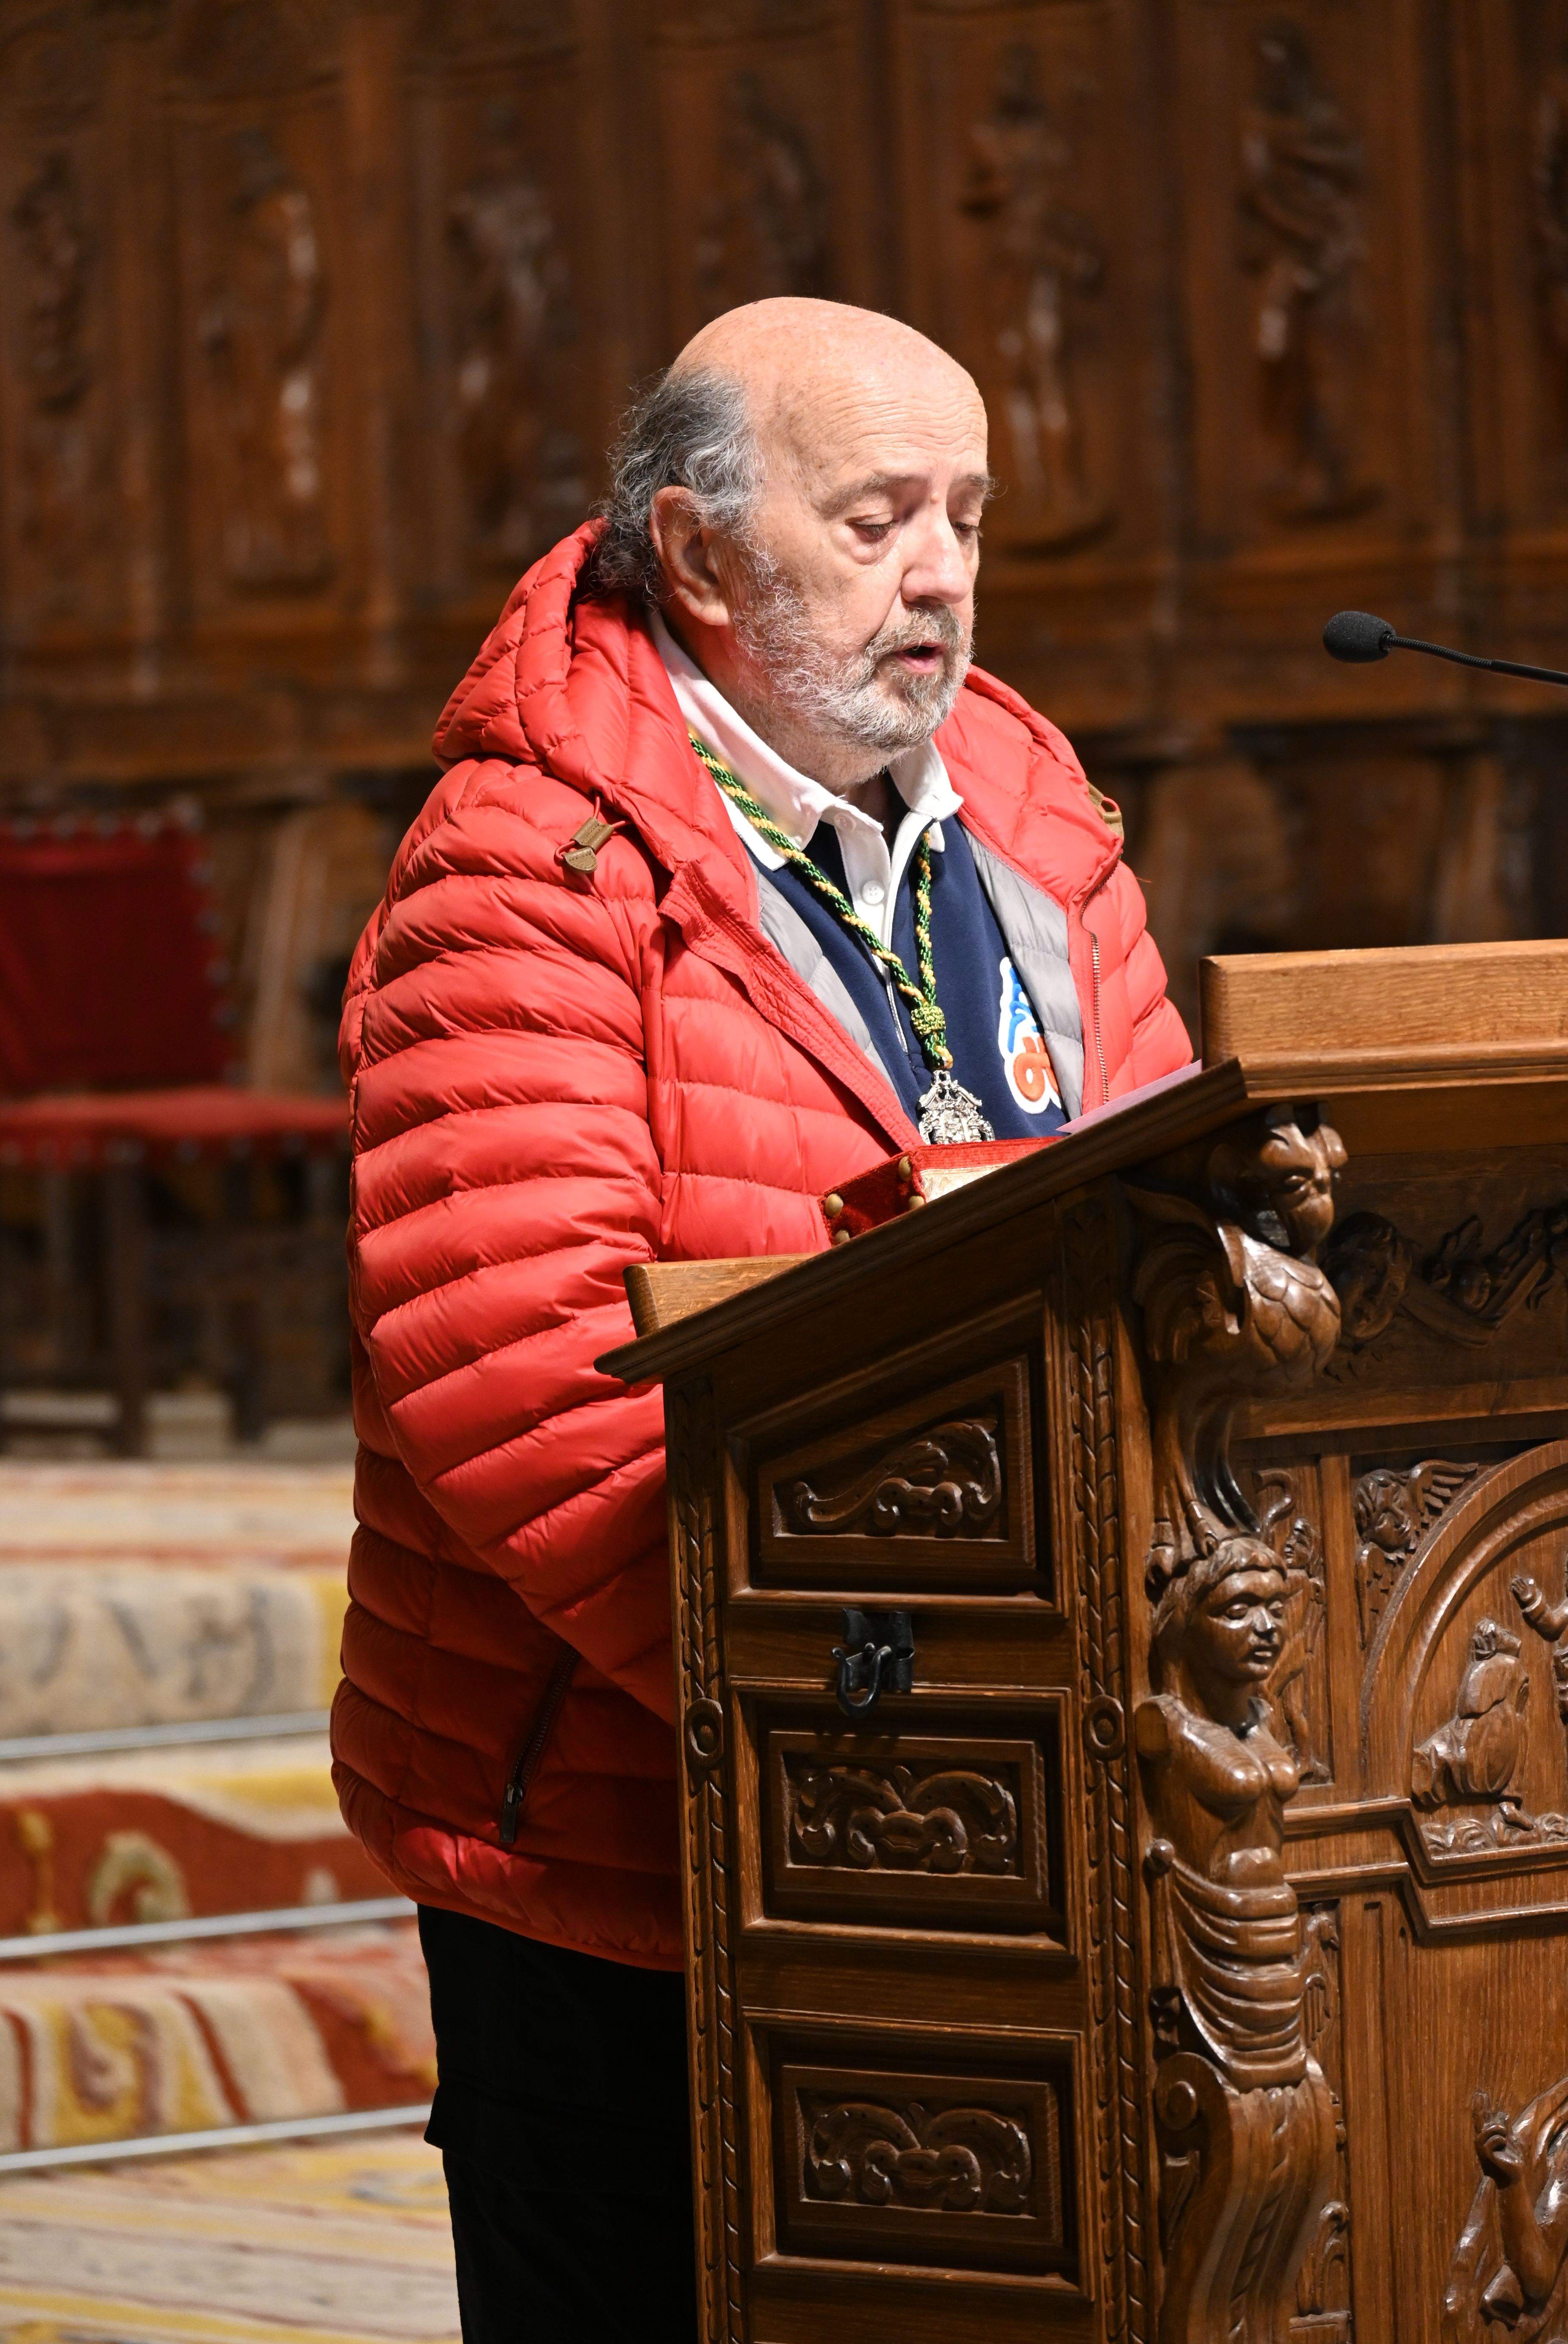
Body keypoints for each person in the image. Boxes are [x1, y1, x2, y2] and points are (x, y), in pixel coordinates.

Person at [332, 297, 1190, 2341]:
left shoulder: (1029, 809)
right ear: (700, 557)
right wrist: (845, 1720)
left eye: (968, 512)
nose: (945, 570)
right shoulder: (529, 855)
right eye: (880, 513)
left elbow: (1172, 1229)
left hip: (1004, 1785)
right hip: (647, 1829)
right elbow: (513, 1371)